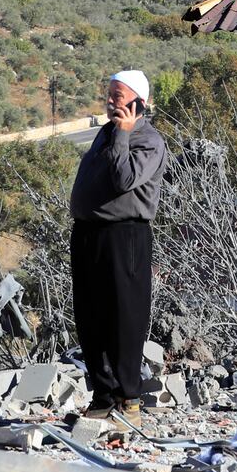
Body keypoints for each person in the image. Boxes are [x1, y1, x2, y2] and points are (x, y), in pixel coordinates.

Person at [68, 70, 168, 418]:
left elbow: (124, 179)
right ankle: (103, 396)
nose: (111, 100)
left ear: (138, 102)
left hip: (124, 235)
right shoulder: (107, 133)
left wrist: (123, 137)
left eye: (118, 95)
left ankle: (129, 399)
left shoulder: (149, 141)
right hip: (88, 234)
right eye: (109, 94)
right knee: (90, 315)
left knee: (124, 317)